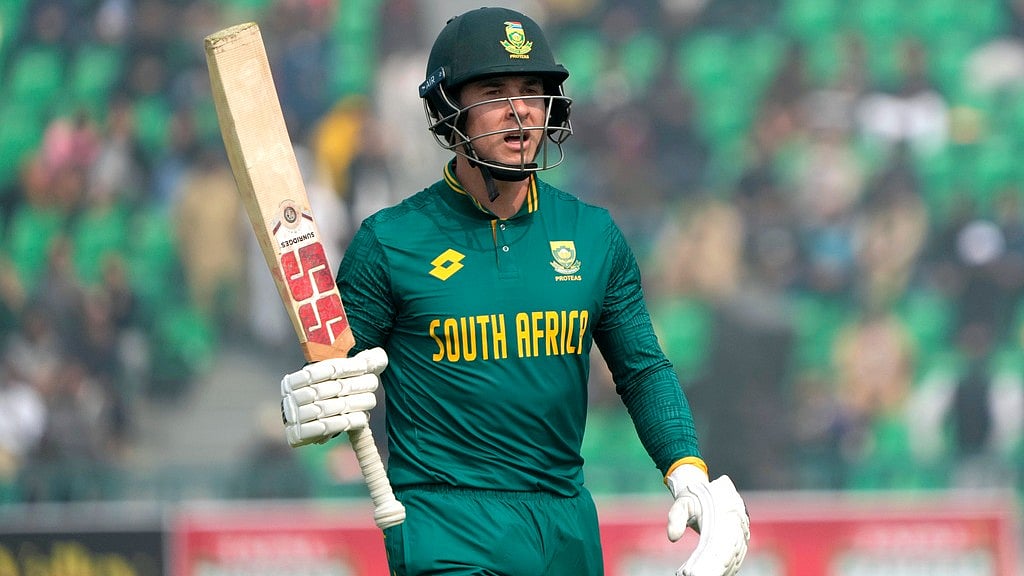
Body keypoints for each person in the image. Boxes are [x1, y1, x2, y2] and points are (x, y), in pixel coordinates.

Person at [279, 7, 749, 575]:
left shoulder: (592, 234)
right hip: (445, 525)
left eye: (532, 90)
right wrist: (307, 399)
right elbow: (336, 373)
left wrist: (687, 471)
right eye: (494, 92)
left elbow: (643, 370)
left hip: (564, 525)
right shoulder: (389, 242)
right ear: (447, 109)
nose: (519, 109)